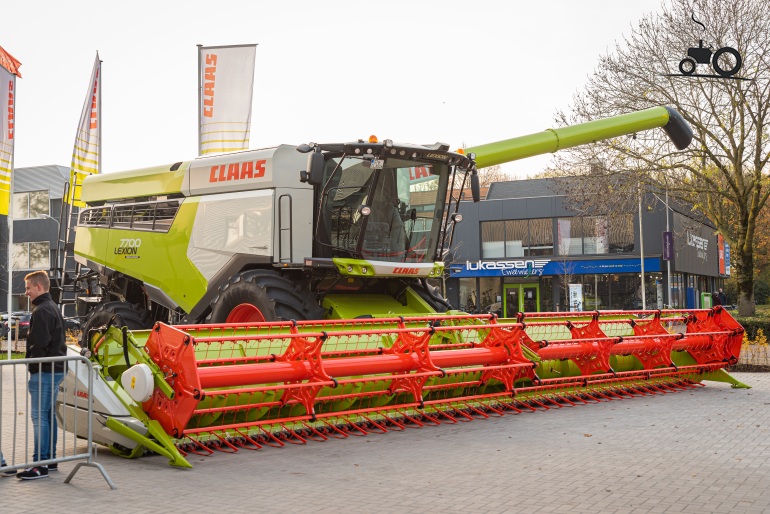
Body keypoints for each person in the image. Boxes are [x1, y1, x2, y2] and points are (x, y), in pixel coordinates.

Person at [15, 271, 67, 480]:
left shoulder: (41, 311)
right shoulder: (52, 307)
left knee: (39, 417)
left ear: (38, 287)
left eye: (28, 288)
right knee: (48, 415)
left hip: (44, 371)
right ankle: (50, 460)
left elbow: (39, 344)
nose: (26, 292)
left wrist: (33, 367)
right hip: (55, 370)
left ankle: (40, 464)